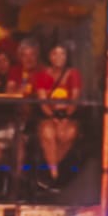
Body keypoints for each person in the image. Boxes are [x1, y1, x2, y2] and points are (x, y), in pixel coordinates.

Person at [34, 43, 80, 188]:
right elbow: (43, 101)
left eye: (63, 54)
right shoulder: (43, 75)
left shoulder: (73, 74)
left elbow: (75, 99)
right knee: (49, 133)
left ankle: (47, 172)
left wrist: (65, 119)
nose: (59, 57)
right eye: (55, 54)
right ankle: (54, 177)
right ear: (50, 56)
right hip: (47, 116)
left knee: (68, 134)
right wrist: (54, 118)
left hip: (68, 116)